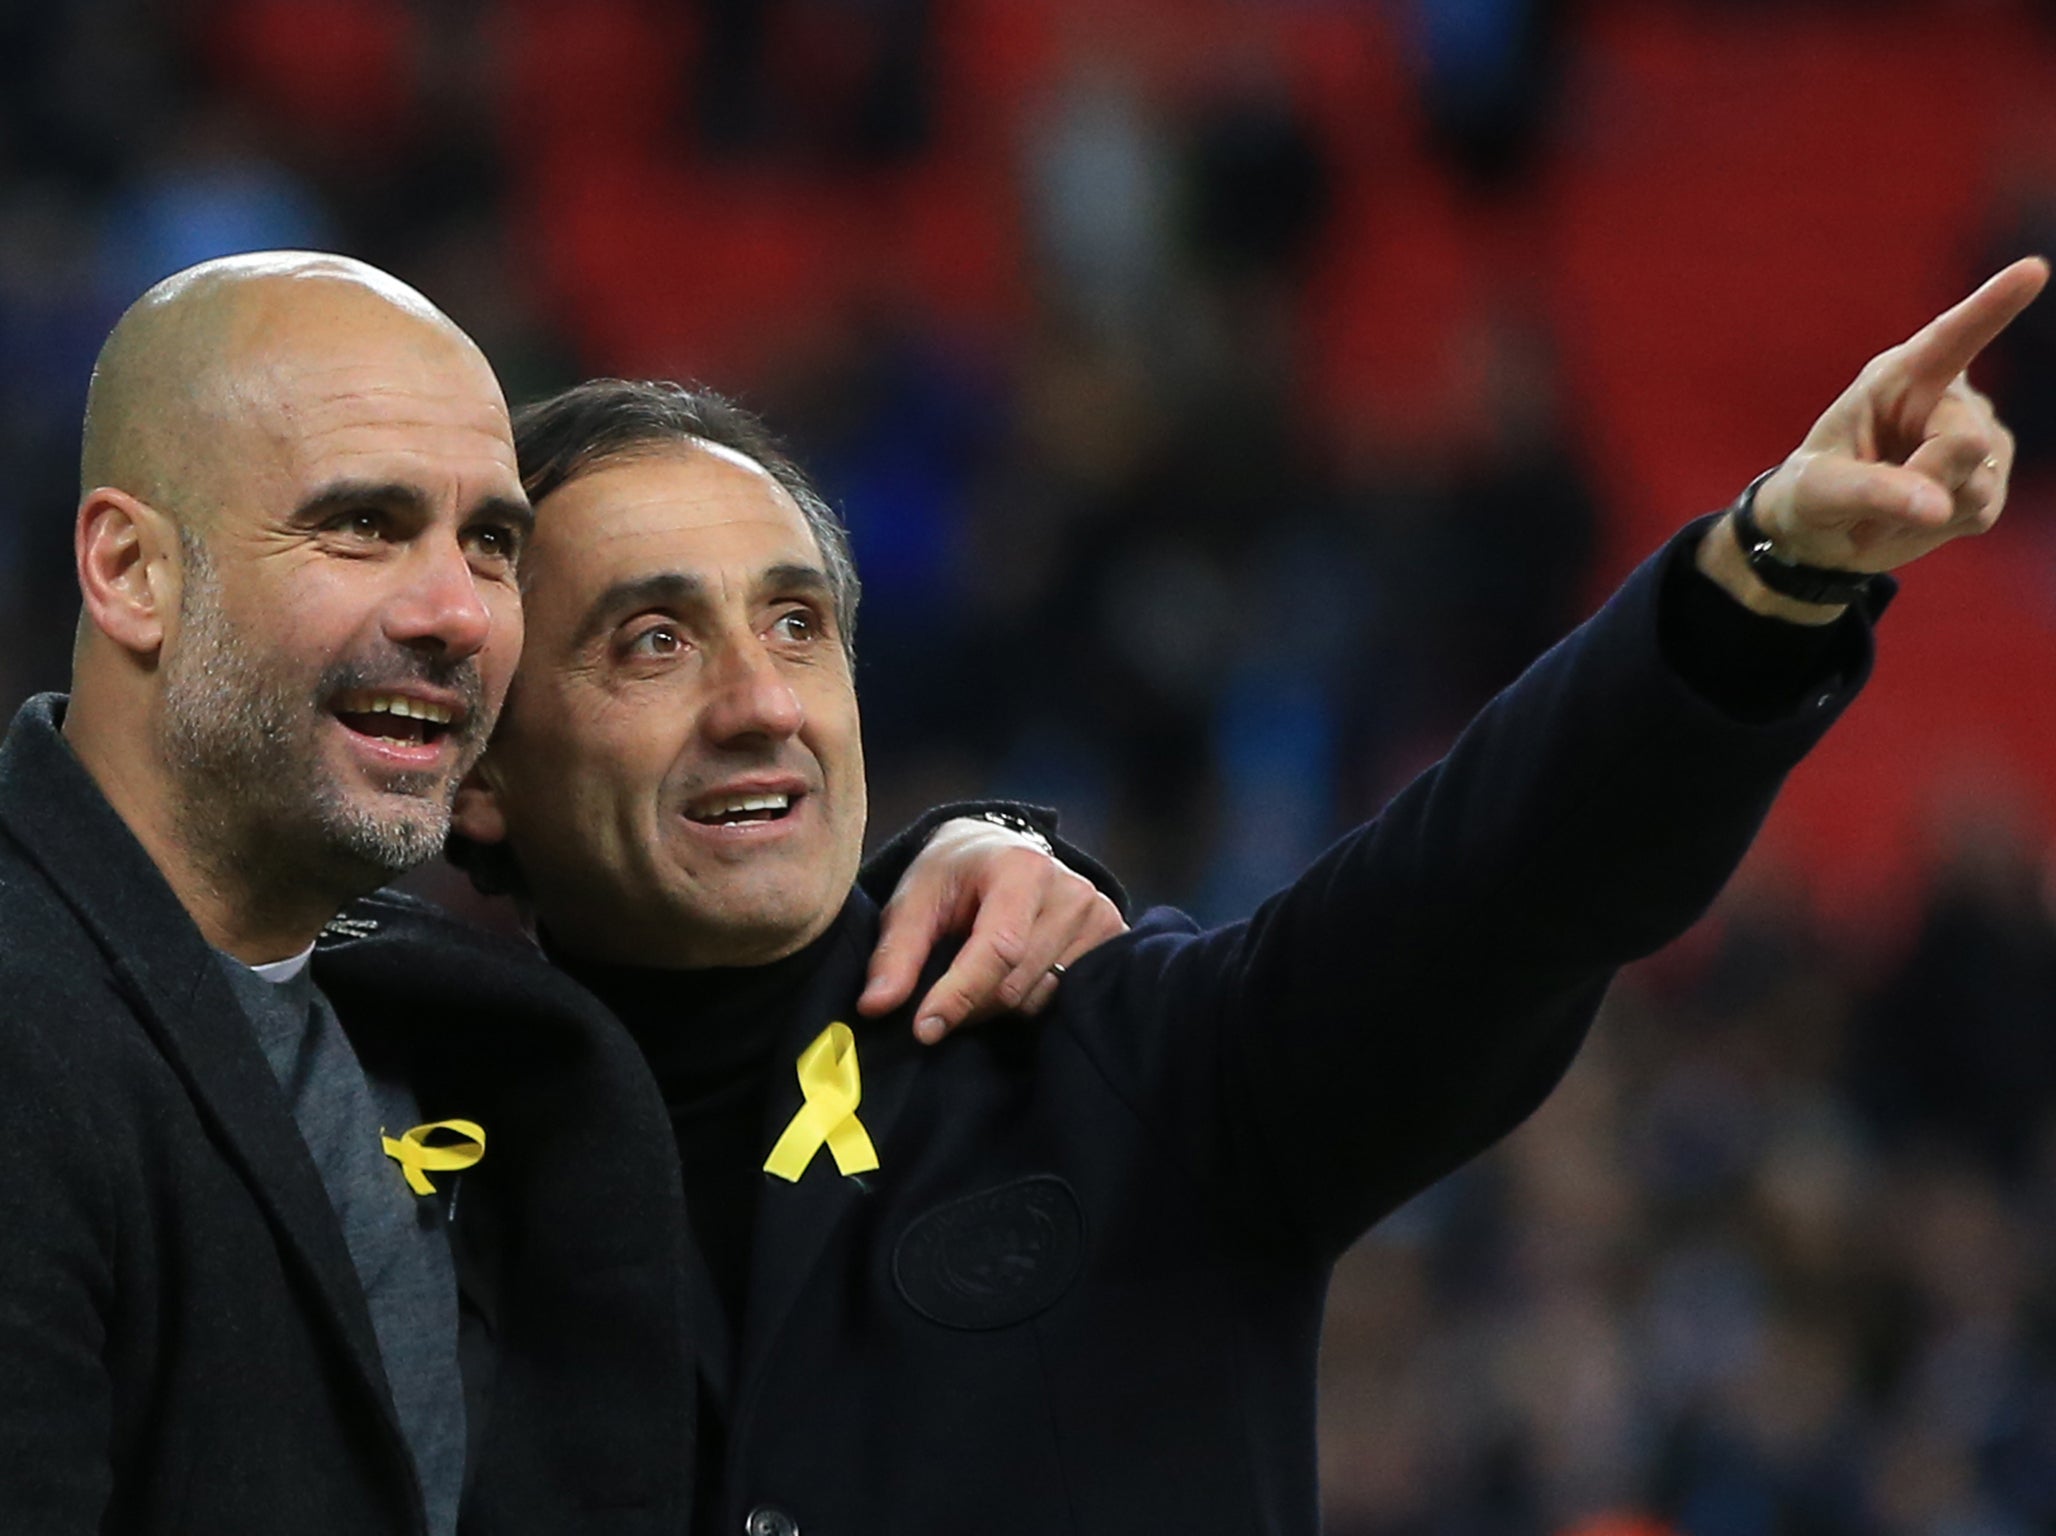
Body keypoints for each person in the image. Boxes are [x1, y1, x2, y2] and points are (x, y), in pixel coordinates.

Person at [440, 259, 2050, 1534]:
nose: (758, 701)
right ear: (483, 765)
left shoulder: (1120, 1068)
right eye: (653, 641)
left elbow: (1495, 891)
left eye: (798, 628)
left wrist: (1764, 581)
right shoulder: (350, 1146)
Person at [0, 250, 1121, 1536]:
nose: (457, 614)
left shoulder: (446, 1034)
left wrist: (963, 854)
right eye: (362, 524)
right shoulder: (29, 1034)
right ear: (133, 570)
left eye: (487, 542)